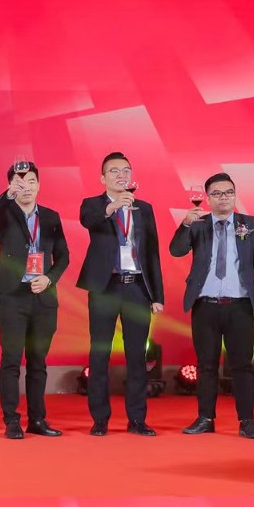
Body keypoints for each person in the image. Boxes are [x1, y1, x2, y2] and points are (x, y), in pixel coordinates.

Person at [170, 173, 254, 440]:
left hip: (239, 306)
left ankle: (247, 421)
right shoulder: (198, 224)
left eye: (228, 192)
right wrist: (185, 224)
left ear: (235, 196)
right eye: (216, 193)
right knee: (206, 366)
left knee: (242, 366)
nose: (223, 197)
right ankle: (205, 418)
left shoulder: (250, 224)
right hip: (205, 305)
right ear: (207, 198)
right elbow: (176, 250)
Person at [76, 152, 164, 436]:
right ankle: (100, 419)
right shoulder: (93, 205)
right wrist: (113, 206)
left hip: (137, 287)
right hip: (105, 287)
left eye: (126, 170)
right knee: (99, 353)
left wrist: (157, 295)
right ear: (103, 178)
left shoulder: (144, 209)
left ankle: (137, 419)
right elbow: (89, 221)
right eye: (114, 171)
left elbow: (152, 253)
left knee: (137, 356)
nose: (121, 175)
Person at [0, 163, 71, 439]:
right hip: (13, 296)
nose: (27, 186)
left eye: (31, 181)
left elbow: (64, 256)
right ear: (12, 186)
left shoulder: (50, 217)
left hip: (43, 296)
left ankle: (37, 419)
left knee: (38, 362)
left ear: (39, 185)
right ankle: (11, 421)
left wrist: (49, 278)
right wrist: (7, 194)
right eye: (20, 182)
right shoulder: (4, 214)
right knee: (11, 360)